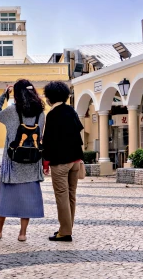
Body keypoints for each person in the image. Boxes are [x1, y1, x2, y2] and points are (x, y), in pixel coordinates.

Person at [0, 79, 45, 242]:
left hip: (12, 161)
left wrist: (4, 95)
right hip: (32, 162)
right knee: (27, 200)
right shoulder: (40, 113)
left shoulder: (11, 111)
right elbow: (40, 135)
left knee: (5, 197)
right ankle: (22, 233)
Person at [42, 81, 84, 242]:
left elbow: (49, 141)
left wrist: (46, 162)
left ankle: (65, 232)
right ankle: (67, 227)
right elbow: (78, 134)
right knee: (71, 195)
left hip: (60, 162)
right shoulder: (71, 111)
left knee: (61, 196)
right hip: (75, 161)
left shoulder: (52, 115)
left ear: (50, 97)